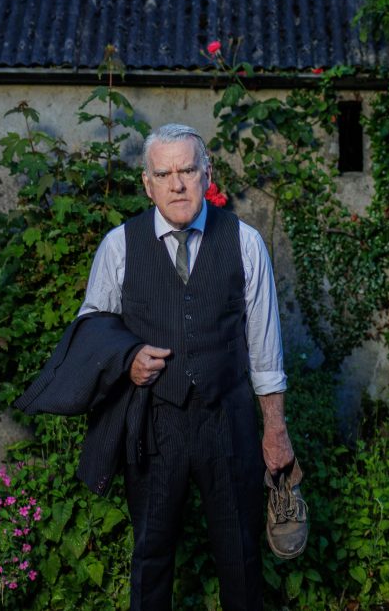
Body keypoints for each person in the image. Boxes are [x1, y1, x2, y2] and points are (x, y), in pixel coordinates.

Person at [77, 123, 305, 610]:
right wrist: (127, 357)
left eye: (187, 170)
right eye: (164, 173)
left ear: (207, 174)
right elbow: (91, 328)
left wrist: (276, 431)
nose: (177, 183)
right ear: (147, 183)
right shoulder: (119, 246)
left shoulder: (245, 243)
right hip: (155, 424)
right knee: (152, 555)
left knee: (240, 554)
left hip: (228, 420)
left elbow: (265, 350)